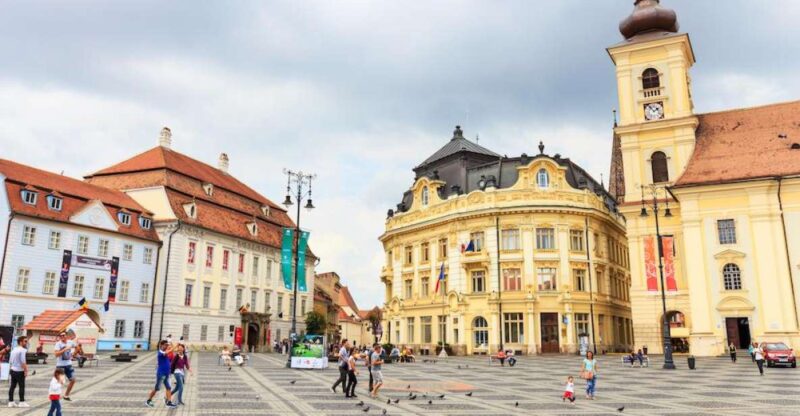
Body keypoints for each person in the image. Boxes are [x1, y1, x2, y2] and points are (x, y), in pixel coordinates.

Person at [145, 340, 178, 408]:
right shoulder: (160, 352)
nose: (167, 346)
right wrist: (175, 346)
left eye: (167, 345)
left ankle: (169, 402)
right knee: (157, 388)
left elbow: (168, 356)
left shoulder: (164, 351)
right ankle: (148, 400)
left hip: (166, 374)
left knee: (168, 388)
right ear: (161, 345)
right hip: (161, 374)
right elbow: (167, 352)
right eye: (165, 345)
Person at [53, 332, 77, 401]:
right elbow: (56, 354)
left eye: (63, 335)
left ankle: (66, 395)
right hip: (60, 366)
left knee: (73, 380)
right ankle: (55, 396)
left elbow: (76, 346)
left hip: (69, 365)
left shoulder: (70, 342)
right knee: (60, 382)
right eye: (60, 336)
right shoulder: (58, 344)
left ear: (66, 336)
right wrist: (64, 349)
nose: (62, 337)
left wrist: (73, 354)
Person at [8, 336, 29, 408]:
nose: (26, 343)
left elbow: (10, 360)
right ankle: (22, 402)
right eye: (25, 341)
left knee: (12, 386)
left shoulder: (14, 349)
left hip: (13, 370)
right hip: (19, 371)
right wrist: (26, 370)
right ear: (20, 342)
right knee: (21, 386)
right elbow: (23, 361)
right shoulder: (23, 350)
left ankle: (11, 402)